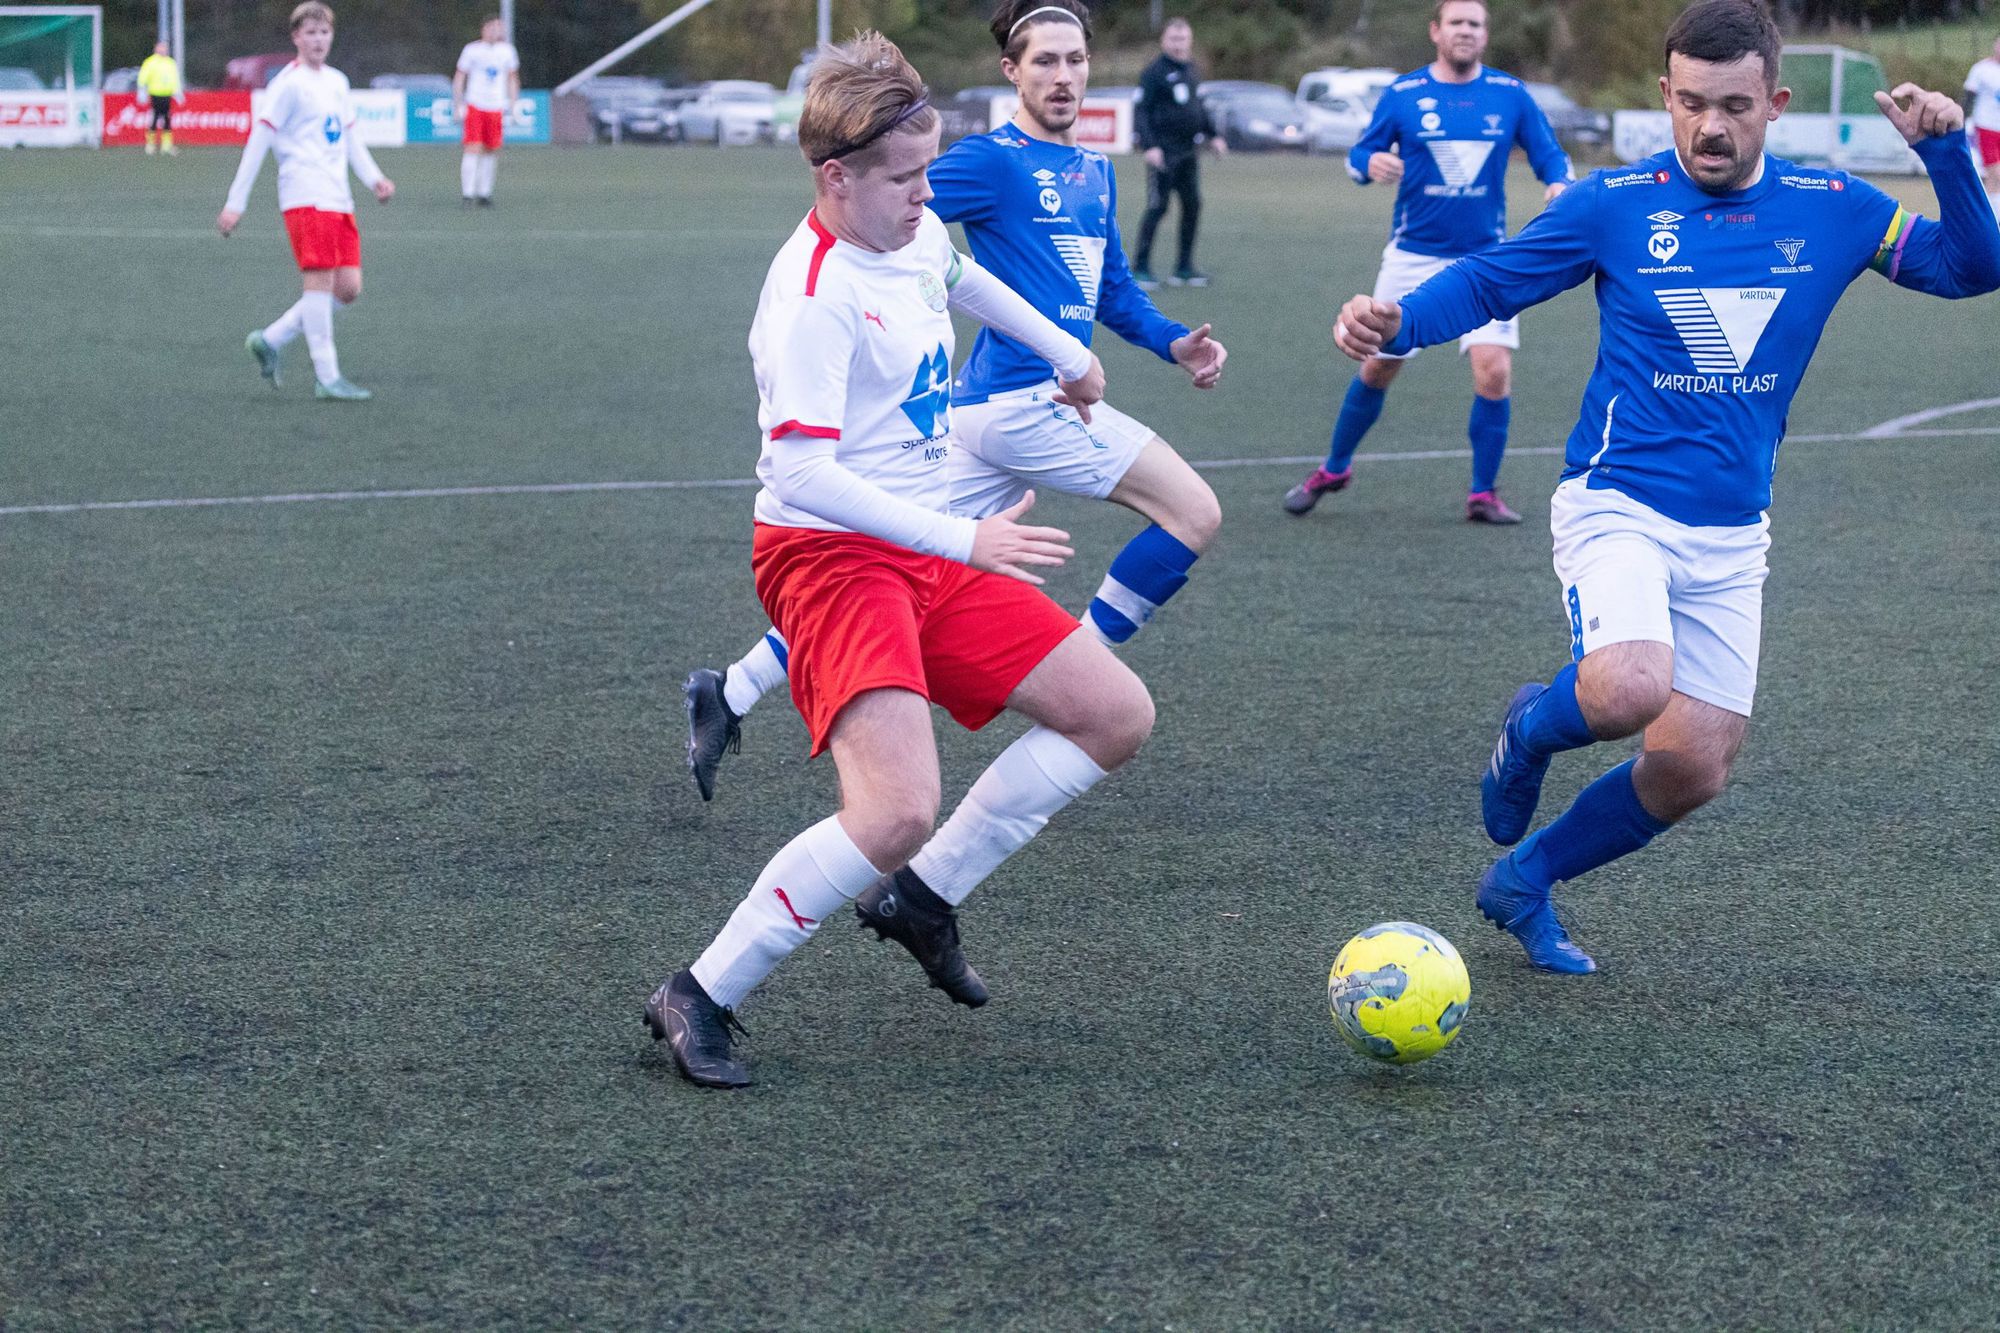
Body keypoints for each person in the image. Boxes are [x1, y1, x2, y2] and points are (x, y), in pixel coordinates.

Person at [1334, 0, 1999, 974]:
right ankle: (1528, 727)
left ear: (1772, 102)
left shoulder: (1833, 204)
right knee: (1629, 685)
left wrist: (1948, 157)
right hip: (1617, 502)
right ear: (1664, 97)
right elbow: (1489, 283)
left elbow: (1965, 268)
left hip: (1731, 530)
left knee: (1692, 763)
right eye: (1689, 103)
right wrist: (1394, 320)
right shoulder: (1613, 202)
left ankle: (1523, 880)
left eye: (1731, 105)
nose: (1709, 127)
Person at [644, 31, 1157, 1090]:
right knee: (891, 810)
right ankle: (700, 992)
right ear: (835, 179)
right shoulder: (812, 295)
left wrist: (1069, 353)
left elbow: (961, 278)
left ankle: (921, 898)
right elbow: (801, 480)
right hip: (829, 560)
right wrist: (965, 536)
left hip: (915, 541)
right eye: (902, 179)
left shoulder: (911, 232)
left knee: (1115, 715)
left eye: (928, 172)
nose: (924, 196)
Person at [681, 0, 1227, 804]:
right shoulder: (991, 162)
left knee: (906, 557)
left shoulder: (1094, 172)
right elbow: (891, 211)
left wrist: (1169, 341)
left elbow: (1103, 289)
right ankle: (1078, 669)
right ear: (1012, 70)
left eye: (1076, 60)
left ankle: (729, 689)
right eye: (1044, 60)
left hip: (964, 418)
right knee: (1195, 511)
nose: (1064, 76)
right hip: (1015, 406)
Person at [1284, 0, 1571, 526]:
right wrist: (1368, 163)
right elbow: (1358, 156)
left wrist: (1558, 183)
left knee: (1494, 371)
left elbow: (1549, 153)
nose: (1466, 31)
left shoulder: (1510, 95)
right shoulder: (1404, 94)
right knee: (1378, 365)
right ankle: (1335, 467)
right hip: (1412, 255)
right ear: (1436, 31)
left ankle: (1483, 493)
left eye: (1476, 24)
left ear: (1485, 36)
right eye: (1457, 22)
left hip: (1485, 258)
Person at [217, 2, 394, 402]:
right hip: (304, 194)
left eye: (324, 32)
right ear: (296, 37)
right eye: (310, 33)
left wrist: (374, 179)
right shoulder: (287, 85)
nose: (318, 40)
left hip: (339, 197)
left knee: (348, 288)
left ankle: (270, 339)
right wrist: (235, 203)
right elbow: (258, 142)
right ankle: (327, 377)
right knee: (318, 283)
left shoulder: (337, 81)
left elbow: (349, 137)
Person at [1130, 17, 1225, 288]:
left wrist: (1214, 135)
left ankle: (1184, 267)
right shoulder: (1153, 73)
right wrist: (1150, 146)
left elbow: (1199, 108)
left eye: (1183, 39)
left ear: (1190, 41)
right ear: (1164, 41)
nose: (1178, 44)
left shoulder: (1192, 69)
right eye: (1173, 39)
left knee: (1193, 205)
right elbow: (1142, 112)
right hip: (1163, 153)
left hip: (1188, 152)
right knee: (1158, 207)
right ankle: (1140, 268)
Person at [454, 14, 520, 207]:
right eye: (491, 27)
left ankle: (484, 193)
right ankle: (468, 193)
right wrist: (458, 104)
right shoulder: (472, 50)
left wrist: (514, 104)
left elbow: (512, 78)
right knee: (473, 147)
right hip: (475, 104)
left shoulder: (507, 51)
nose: (495, 31)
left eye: (498, 28)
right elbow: (460, 77)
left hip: (496, 106)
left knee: (491, 149)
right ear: (483, 29)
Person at [1964, 34, 2000, 205]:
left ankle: (1992, 211)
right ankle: (1994, 215)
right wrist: (1960, 121)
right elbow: (1968, 98)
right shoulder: (1981, 70)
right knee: (1994, 172)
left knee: (1995, 178)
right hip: (1987, 126)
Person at [136, 41, 184, 156]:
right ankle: (150, 144)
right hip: (155, 94)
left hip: (167, 94)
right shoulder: (150, 62)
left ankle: (166, 145)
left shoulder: (170, 63)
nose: (163, 50)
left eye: (165, 48)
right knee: (155, 117)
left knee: (167, 118)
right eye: (161, 48)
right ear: (156, 49)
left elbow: (174, 78)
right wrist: (141, 90)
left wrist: (177, 91)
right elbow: (143, 77)